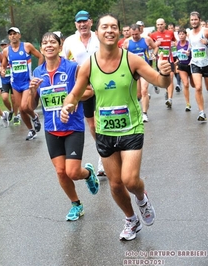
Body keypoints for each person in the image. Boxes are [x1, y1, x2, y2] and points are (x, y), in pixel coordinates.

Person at [61, 14, 172, 241]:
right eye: (105, 27)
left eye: (113, 27)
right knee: (116, 184)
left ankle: (141, 198)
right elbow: (75, 93)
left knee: (130, 180)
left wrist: (165, 72)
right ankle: (131, 219)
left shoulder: (131, 60)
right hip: (105, 131)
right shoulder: (89, 65)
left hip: (130, 128)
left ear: (119, 32)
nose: (109, 30)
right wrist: (68, 106)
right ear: (97, 32)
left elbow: (160, 83)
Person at [28, 32, 100, 221]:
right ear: (42, 48)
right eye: (44, 43)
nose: (48, 45)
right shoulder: (38, 73)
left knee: (73, 172)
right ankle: (76, 204)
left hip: (73, 126)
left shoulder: (72, 68)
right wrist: (31, 91)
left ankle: (88, 173)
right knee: (61, 171)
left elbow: (90, 91)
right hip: (51, 128)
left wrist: (72, 96)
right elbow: (30, 107)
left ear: (60, 47)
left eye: (53, 42)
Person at [62, 10, 106, 176]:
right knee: (93, 125)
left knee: (105, 119)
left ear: (91, 22)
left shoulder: (99, 37)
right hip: (85, 89)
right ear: (76, 25)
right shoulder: (70, 41)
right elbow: (62, 62)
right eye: (79, 22)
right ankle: (103, 154)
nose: (82, 25)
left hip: (103, 85)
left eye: (85, 21)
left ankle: (111, 152)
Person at [0, 27, 45, 140]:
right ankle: (31, 130)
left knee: (25, 106)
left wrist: (37, 73)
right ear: (8, 37)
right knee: (20, 110)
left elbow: (40, 56)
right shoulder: (6, 51)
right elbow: (3, 65)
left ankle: (34, 117)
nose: (13, 36)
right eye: (10, 34)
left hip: (27, 82)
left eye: (15, 33)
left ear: (19, 35)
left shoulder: (27, 46)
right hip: (15, 83)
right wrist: (2, 70)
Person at [123, 24, 158, 122]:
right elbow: (121, 55)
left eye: (136, 34)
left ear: (140, 32)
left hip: (144, 69)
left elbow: (155, 47)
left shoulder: (146, 40)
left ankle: (144, 114)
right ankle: (145, 99)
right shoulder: (127, 42)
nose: (134, 36)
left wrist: (153, 54)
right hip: (133, 71)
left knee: (144, 90)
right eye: (133, 34)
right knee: (138, 94)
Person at [150, 18, 177, 108]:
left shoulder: (170, 33)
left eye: (161, 24)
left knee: (171, 77)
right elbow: (150, 46)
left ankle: (170, 99)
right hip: (160, 61)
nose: (160, 26)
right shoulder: (153, 35)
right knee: (165, 79)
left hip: (170, 59)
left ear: (164, 24)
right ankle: (167, 91)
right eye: (158, 24)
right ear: (156, 25)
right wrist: (155, 47)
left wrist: (175, 46)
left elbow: (175, 41)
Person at [188, 11, 208, 121]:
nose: (194, 21)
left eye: (195, 19)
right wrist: (188, 54)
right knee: (198, 87)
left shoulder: (205, 32)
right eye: (192, 20)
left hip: (207, 63)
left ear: (199, 20)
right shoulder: (189, 33)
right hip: (195, 63)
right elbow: (192, 47)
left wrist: (207, 43)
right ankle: (201, 112)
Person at [175, 27, 195, 111]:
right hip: (182, 66)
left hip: (191, 65)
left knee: (193, 85)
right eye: (179, 34)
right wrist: (177, 60)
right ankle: (188, 104)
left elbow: (193, 52)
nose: (181, 36)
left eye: (183, 34)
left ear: (186, 35)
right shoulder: (177, 44)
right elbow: (177, 54)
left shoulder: (189, 44)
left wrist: (190, 55)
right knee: (185, 84)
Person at [0, 39, 18, 124]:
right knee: (5, 98)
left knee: (14, 99)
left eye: (5, 45)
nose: (3, 46)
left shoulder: (12, 54)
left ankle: (16, 115)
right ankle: (11, 110)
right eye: (2, 45)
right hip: (4, 80)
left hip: (13, 79)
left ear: (9, 45)